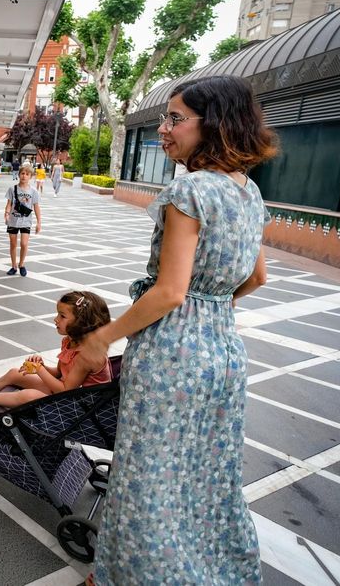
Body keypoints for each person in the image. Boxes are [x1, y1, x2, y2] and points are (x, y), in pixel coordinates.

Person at [77, 75, 277, 585]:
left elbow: (169, 292)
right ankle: (213, 570)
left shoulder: (189, 189)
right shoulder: (248, 192)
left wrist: (105, 336)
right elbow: (257, 277)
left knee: (146, 476)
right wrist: (210, 311)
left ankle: (127, 576)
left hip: (172, 356)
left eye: (175, 119)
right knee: (205, 477)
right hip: (225, 353)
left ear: (212, 125)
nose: (163, 129)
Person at [0, 291, 112, 410]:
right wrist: (42, 367)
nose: (55, 319)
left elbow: (65, 391)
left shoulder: (89, 356)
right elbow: (60, 374)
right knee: (14, 373)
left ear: (81, 323)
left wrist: (39, 371)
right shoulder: (70, 341)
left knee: (29, 396)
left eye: (62, 316)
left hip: (82, 407)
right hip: (67, 395)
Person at [5, 165, 41, 276]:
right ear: (19, 174)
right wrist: (6, 214)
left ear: (30, 176)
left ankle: (21, 264)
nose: (24, 176)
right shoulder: (12, 189)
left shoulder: (33, 191)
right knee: (13, 244)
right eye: (22, 173)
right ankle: (14, 266)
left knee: (24, 244)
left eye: (27, 174)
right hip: (13, 220)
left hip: (26, 221)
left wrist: (39, 223)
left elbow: (36, 207)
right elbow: (9, 204)